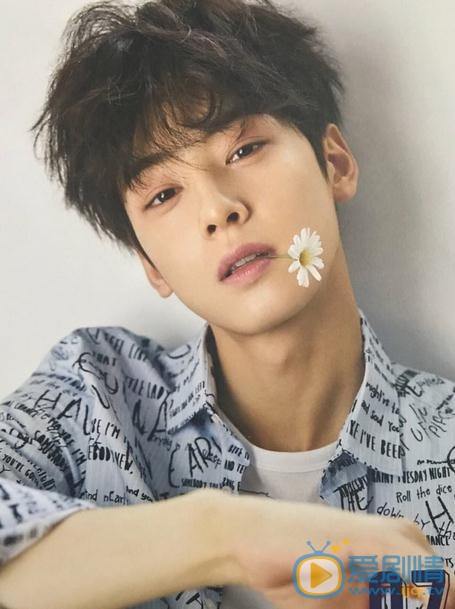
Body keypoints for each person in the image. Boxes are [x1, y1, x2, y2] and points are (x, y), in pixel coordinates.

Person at [0, 0, 453, 608]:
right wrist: (219, 533)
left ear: (335, 164)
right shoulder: (93, 398)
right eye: (163, 194)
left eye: (244, 150)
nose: (218, 209)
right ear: (151, 264)